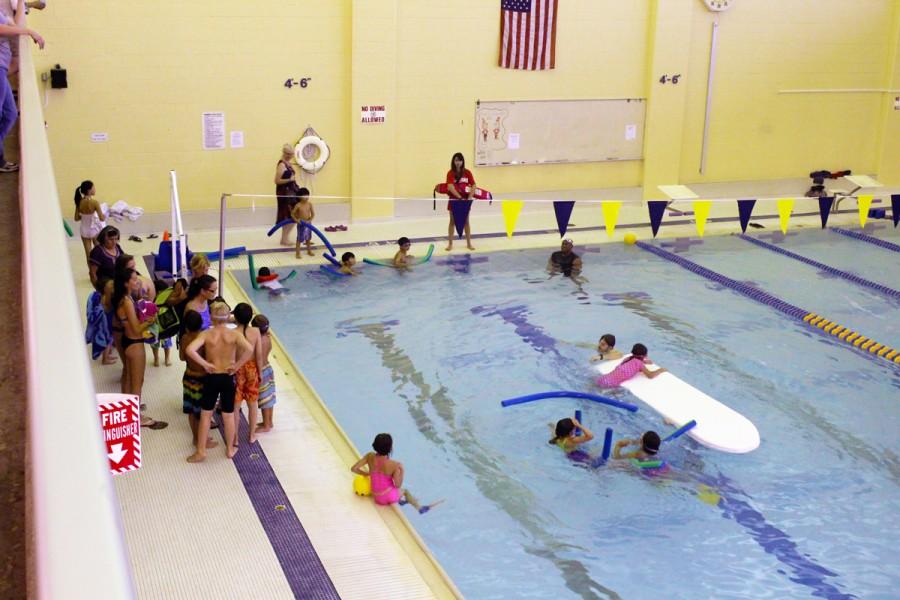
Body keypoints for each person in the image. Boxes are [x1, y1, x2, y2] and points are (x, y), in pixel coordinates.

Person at [185, 301, 254, 462]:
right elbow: (249, 350)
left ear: (211, 317)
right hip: (227, 377)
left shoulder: (207, 334)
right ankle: (230, 449)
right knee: (228, 415)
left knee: (206, 415)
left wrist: (205, 364)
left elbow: (190, 350)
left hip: (212, 376)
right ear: (228, 317)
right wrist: (236, 366)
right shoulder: (234, 335)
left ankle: (201, 451)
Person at [113, 268, 166, 430]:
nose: (138, 282)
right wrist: (151, 321)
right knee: (137, 383)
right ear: (125, 283)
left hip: (127, 342)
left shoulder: (123, 298)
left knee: (129, 380)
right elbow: (136, 329)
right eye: (134, 280)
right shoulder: (127, 301)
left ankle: (128, 411)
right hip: (135, 345)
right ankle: (136, 418)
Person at [0, 0, 43, 173]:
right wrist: (29, 31)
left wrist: (22, 3)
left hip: (2, 67)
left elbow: (14, 25)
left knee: (10, 114)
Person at [350, 433, 442, 514]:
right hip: (388, 496)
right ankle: (419, 508)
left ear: (375, 445)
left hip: (375, 495)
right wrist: (402, 470)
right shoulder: (394, 465)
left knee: (390, 489)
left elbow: (354, 469)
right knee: (405, 491)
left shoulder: (369, 456)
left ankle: (401, 500)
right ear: (390, 448)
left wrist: (366, 474)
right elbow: (398, 485)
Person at [179, 309, 214, 450]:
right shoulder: (203, 340)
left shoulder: (184, 338)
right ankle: (203, 440)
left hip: (188, 377)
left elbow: (182, 357)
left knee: (191, 410)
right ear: (201, 325)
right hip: (201, 380)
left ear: (186, 326)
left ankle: (195, 438)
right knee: (201, 413)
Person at [232, 303, 262, 445]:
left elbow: (231, 355)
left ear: (235, 317)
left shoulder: (233, 333)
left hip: (237, 369)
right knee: (252, 404)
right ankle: (251, 435)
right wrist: (260, 373)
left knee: (236, 407)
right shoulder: (256, 332)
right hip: (251, 370)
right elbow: (259, 356)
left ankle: (236, 438)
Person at [595, 343, 667, 387]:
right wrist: (660, 370)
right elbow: (650, 375)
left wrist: (645, 362)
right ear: (644, 355)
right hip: (609, 384)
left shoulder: (628, 358)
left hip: (603, 378)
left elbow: (634, 364)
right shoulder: (639, 364)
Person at [445, 152, 476, 251]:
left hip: (465, 202)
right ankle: (450, 244)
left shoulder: (467, 173)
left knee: (466, 221)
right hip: (454, 201)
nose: (458, 162)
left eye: (460, 160)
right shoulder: (450, 173)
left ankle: (469, 243)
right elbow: (450, 187)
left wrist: (470, 197)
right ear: (453, 162)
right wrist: (459, 197)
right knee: (452, 221)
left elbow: (474, 185)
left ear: (463, 161)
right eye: (456, 160)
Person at [252, 314, 277, 432]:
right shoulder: (268, 338)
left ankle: (266, 425)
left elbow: (257, 358)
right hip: (268, 368)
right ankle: (269, 422)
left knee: (264, 399)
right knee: (269, 397)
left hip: (261, 371)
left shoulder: (258, 342)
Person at [275, 143, 301, 246]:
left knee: (294, 214)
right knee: (288, 215)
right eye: (289, 154)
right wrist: (289, 179)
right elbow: (277, 181)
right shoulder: (281, 164)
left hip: (291, 192)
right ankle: (284, 239)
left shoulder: (288, 163)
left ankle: (285, 238)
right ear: (284, 153)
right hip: (284, 193)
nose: (290, 156)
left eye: (292, 154)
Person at [73, 180, 105, 263]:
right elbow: (102, 218)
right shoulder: (95, 202)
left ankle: (92, 273)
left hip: (84, 230)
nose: (95, 189)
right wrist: (104, 215)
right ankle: (100, 271)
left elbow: (76, 218)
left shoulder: (79, 202)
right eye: (93, 187)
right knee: (99, 251)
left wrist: (84, 216)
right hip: (93, 230)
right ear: (89, 190)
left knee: (88, 254)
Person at [290, 187, 314, 258]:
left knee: (308, 239)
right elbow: (292, 214)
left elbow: (313, 214)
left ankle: (309, 251)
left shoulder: (309, 204)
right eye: (304, 196)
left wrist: (310, 220)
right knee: (299, 239)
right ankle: (297, 253)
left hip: (308, 224)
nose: (306, 197)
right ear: (299, 197)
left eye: (307, 195)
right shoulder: (298, 205)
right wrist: (296, 220)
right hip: (301, 224)